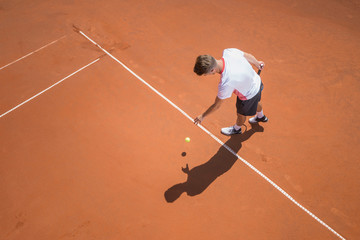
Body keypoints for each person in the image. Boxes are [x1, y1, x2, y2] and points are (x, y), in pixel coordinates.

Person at [193, 48, 268, 135]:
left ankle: (237, 129)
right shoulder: (229, 52)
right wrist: (257, 63)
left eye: (206, 74)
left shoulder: (225, 82)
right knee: (257, 101)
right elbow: (247, 56)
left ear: (212, 70)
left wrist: (203, 116)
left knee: (241, 115)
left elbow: (217, 105)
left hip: (248, 94)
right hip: (257, 81)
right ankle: (260, 116)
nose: (206, 75)